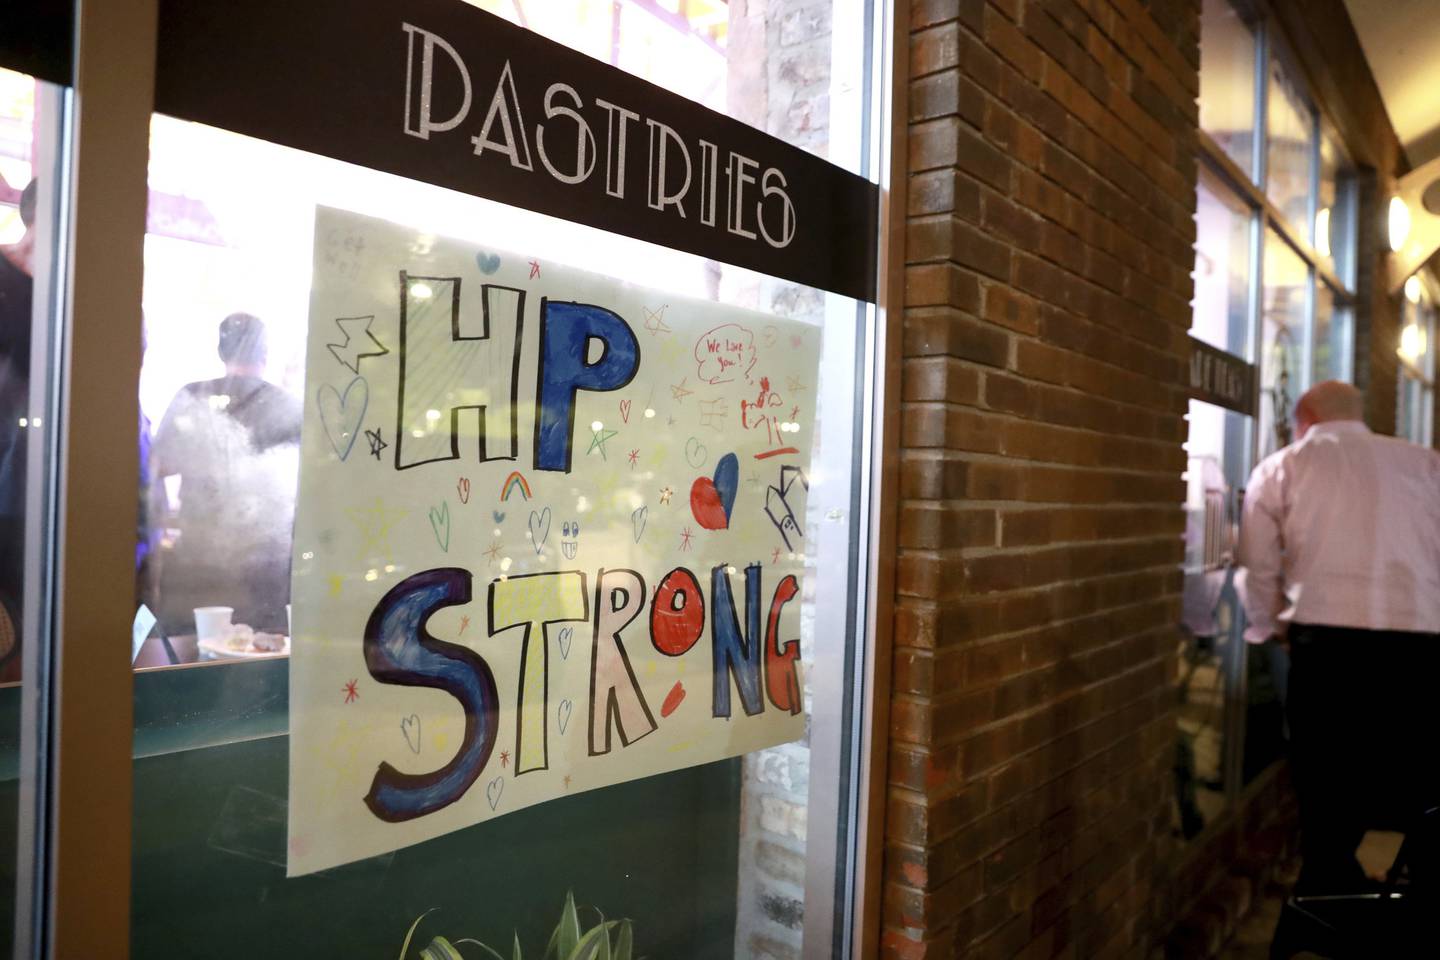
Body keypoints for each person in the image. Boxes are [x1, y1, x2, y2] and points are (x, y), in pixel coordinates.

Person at [1238, 380, 1440, 897]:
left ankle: (1330, 891)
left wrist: (1272, 628)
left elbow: (1256, 566)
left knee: (1326, 774)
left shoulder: (1285, 465)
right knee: (1417, 772)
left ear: (1303, 418)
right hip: (1421, 641)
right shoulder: (1426, 463)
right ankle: (1419, 893)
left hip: (1326, 642)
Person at [150, 313, 301, 637]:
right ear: (265, 353)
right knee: (262, 659)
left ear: (221, 352)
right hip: (267, 571)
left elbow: (158, 466)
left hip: (198, 568)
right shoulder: (287, 406)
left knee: (191, 655)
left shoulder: (193, 396)